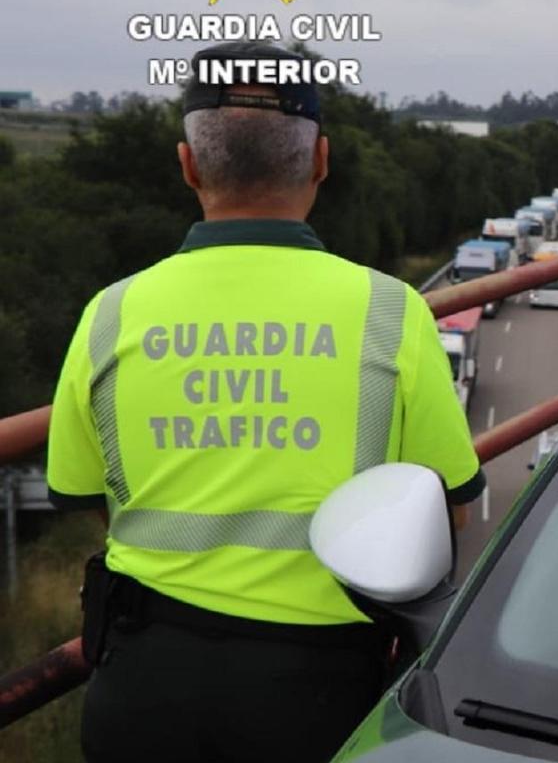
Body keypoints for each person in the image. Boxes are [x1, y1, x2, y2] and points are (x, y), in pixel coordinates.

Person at [44, 41, 485, 763]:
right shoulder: (391, 311)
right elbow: (451, 510)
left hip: (139, 692)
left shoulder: (109, 314)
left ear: (188, 165)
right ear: (320, 161)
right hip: (320, 694)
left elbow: (86, 494)